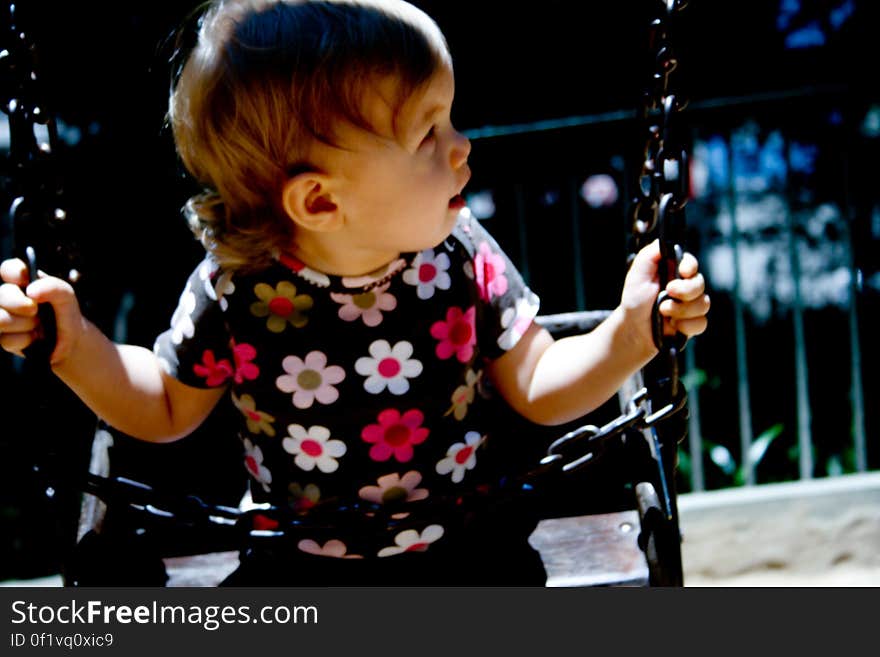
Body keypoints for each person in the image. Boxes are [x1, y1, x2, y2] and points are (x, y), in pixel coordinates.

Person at [0, 0, 709, 585]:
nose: (462, 146)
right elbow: (161, 403)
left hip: (466, 548)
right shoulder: (237, 289)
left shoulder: (460, 256)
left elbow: (539, 384)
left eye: (450, 119)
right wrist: (73, 345)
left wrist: (631, 332)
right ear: (319, 201)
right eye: (428, 134)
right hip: (296, 563)